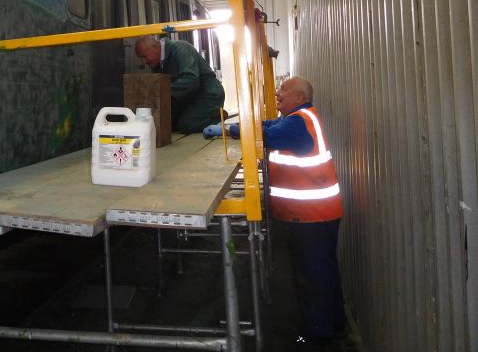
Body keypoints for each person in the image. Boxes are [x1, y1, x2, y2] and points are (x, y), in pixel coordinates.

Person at [205, 77, 346, 347]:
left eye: (283, 91)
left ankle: (316, 336)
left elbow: (267, 134)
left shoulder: (298, 122)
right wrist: (234, 126)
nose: (278, 94)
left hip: (311, 215)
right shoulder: (300, 117)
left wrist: (227, 131)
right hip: (317, 214)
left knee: (311, 276)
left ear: (299, 96)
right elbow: (267, 126)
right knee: (323, 272)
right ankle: (334, 325)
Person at [134, 35, 225, 134]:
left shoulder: (182, 49)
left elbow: (191, 80)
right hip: (189, 98)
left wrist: (161, 91)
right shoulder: (157, 64)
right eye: (140, 58)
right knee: (166, 123)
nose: (143, 62)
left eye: (144, 56)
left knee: (186, 125)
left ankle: (217, 115)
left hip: (208, 95)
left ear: (156, 48)